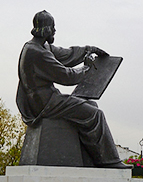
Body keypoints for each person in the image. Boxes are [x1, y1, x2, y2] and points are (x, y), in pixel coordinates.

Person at [16, 10, 128, 168]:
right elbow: (66, 76)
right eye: (53, 27)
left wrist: (89, 49)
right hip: (44, 104)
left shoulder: (42, 47)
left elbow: (66, 54)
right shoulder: (37, 52)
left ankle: (91, 162)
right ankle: (110, 162)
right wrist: (86, 68)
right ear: (46, 29)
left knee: (91, 105)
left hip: (47, 99)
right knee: (95, 114)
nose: (55, 30)